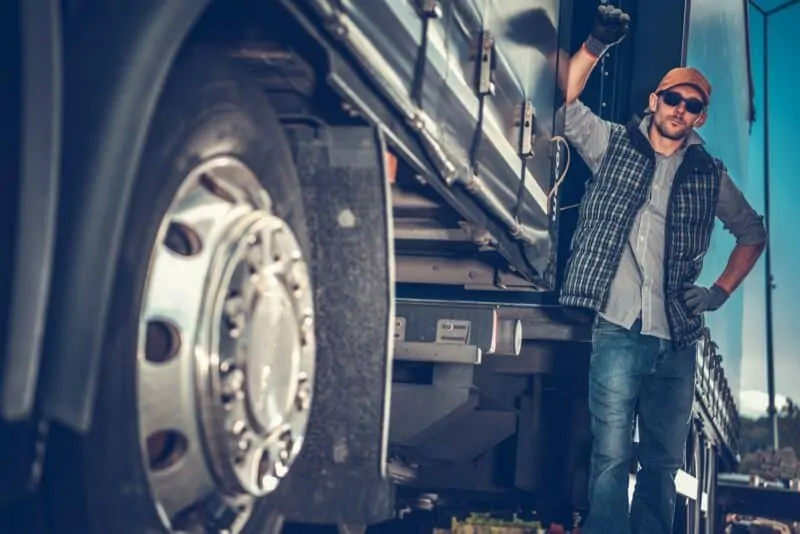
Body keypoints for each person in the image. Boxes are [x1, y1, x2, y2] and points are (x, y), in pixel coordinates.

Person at [553, 6, 768, 534]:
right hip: (617, 326)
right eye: (673, 98)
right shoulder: (613, 144)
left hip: (677, 338)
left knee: (663, 465)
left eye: (692, 105)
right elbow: (567, 102)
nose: (680, 108)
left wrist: (718, 291)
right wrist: (595, 46)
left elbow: (752, 232)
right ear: (656, 101)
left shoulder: (709, 174)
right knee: (609, 456)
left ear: (699, 117)